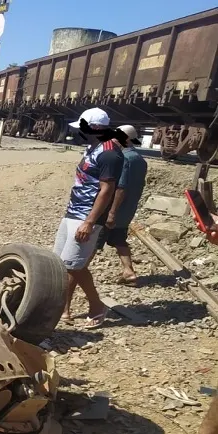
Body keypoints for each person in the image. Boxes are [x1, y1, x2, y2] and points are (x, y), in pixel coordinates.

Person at [54, 108, 124, 329]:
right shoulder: (93, 147)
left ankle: (96, 306)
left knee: (73, 265)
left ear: (94, 128)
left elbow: (107, 189)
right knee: (61, 263)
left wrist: (89, 221)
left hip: (86, 216)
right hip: (74, 212)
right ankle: (62, 308)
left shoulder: (109, 153)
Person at [95, 124, 147, 286]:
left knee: (94, 240)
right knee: (119, 239)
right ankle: (129, 272)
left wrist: (111, 212)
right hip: (128, 209)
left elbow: (121, 188)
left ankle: (76, 274)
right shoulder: (140, 160)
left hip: (114, 209)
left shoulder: (124, 159)